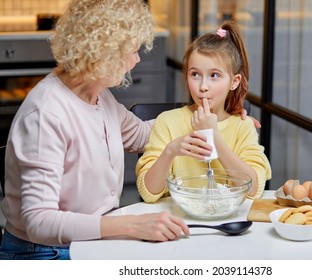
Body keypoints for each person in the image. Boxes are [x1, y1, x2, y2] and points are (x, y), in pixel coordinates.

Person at [0, 0, 190, 260]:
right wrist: (133, 226)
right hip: (43, 252)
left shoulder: (101, 98)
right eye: (131, 50)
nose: (136, 60)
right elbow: (39, 221)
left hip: (90, 242)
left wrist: (209, 116)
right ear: (104, 51)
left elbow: (144, 135)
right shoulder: (46, 114)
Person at [136, 21, 272, 203]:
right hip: (178, 222)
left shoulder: (243, 126)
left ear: (234, 81)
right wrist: (170, 151)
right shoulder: (167, 122)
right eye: (195, 74)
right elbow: (149, 193)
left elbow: (253, 190)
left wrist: (213, 134)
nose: (203, 86)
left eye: (214, 75)